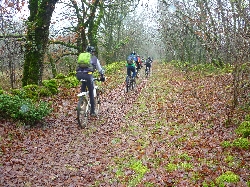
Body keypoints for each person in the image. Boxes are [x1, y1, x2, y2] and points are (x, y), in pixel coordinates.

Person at [76, 46, 105, 117]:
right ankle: (92, 111)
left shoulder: (82, 57)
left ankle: (81, 103)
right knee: (91, 93)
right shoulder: (94, 58)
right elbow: (100, 69)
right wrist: (102, 76)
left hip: (79, 75)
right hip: (88, 76)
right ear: (92, 52)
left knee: (83, 88)